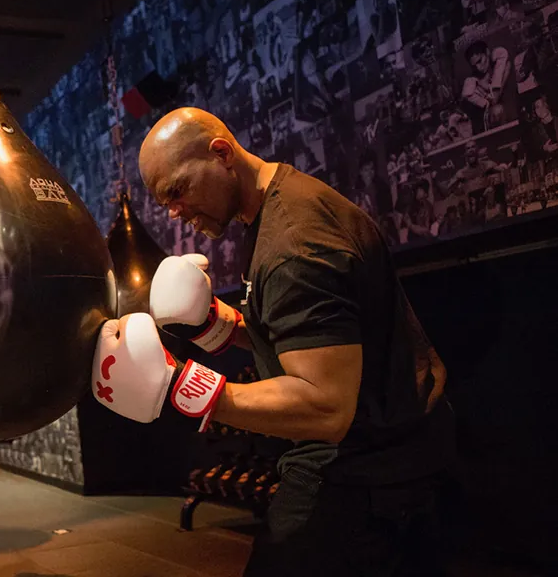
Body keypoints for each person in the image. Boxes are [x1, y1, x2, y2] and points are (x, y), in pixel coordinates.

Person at [91, 108, 457, 576]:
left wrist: (180, 386)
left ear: (221, 154)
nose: (174, 213)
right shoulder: (277, 209)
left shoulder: (293, 245)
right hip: (396, 451)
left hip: (367, 468)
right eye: (165, 202)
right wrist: (217, 325)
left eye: (177, 191)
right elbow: (306, 336)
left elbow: (325, 405)